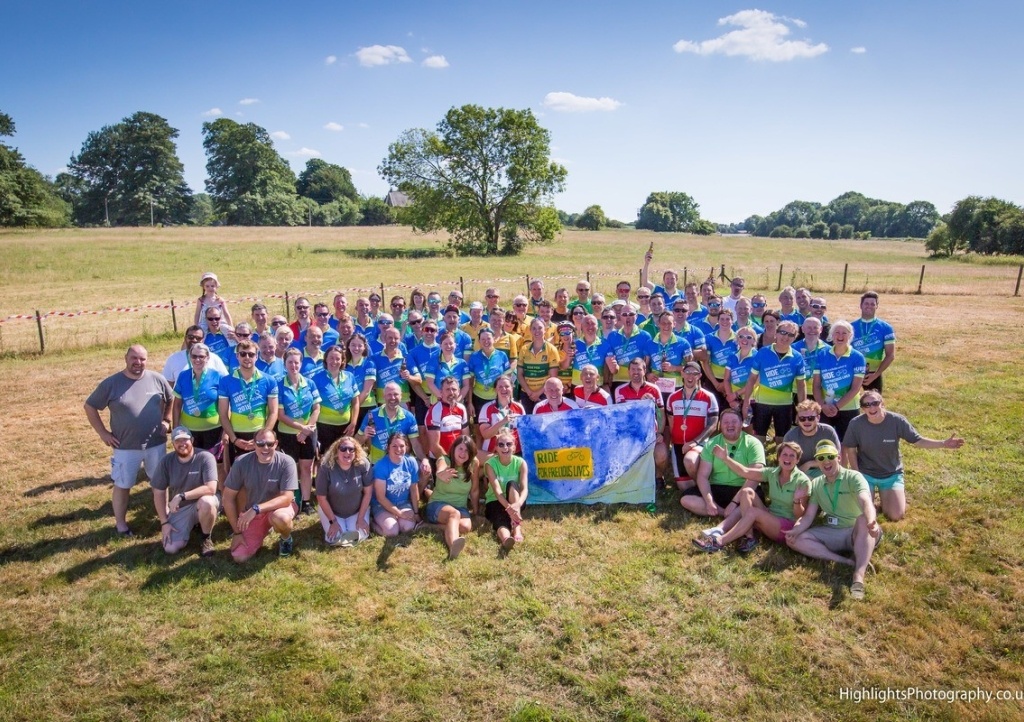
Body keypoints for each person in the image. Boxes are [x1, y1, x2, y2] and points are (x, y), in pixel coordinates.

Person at [85, 345, 174, 536]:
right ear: (126, 358)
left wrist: (166, 420)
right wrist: (103, 433)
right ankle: (121, 525)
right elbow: (90, 406)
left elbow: (170, 398)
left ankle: (164, 517)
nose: (138, 362)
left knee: (159, 483)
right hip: (125, 447)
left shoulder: (156, 379)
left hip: (155, 444)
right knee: (123, 485)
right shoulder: (112, 384)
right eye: (134, 358)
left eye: (142, 359)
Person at [843, 391, 965, 521]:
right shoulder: (856, 424)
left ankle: (885, 501)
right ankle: (875, 500)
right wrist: (857, 475)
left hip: (891, 474)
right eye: (866, 405)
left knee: (895, 515)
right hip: (866, 474)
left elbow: (918, 441)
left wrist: (943, 443)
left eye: (875, 403)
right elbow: (850, 450)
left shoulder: (897, 420)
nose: (871, 407)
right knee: (861, 514)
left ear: (882, 403)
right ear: (862, 408)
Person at [785, 440, 882, 600]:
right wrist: (795, 531)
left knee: (863, 519)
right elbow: (809, 516)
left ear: (838, 457)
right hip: (833, 532)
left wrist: (872, 520)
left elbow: (866, 501)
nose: (826, 461)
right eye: (821, 458)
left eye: (830, 456)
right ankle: (844, 561)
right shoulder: (816, 484)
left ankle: (858, 576)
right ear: (817, 462)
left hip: (858, 531)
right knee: (795, 540)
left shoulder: (853, 477)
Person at [693, 441, 810, 554]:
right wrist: (726, 458)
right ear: (778, 457)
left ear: (797, 460)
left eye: (792, 456)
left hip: (786, 527)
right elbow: (745, 472)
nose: (787, 458)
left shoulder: (802, 481)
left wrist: (796, 501)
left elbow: (800, 516)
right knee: (746, 491)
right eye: (784, 454)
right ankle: (749, 537)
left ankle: (718, 542)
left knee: (753, 513)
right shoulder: (772, 473)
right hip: (770, 515)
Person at [223, 429, 299, 560]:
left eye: (270, 444)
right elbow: (227, 498)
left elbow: (287, 498)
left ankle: (286, 539)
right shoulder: (241, 462)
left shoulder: (287, 462)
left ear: (276, 444)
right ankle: (262, 529)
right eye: (260, 443)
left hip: (277, 508)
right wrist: (237, 532)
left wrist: (256, 509)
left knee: (281, 519)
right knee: (240, 558)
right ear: (254, 444)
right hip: (252, 514)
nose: (265, 447)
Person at [681, 408, 765, 518]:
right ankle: (723, 512)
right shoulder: (712, 443)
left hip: (743, 489)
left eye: (734, 421)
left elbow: (755, 477)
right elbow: (702, 476)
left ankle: (731, 513)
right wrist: (709, 501)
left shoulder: (753, 443)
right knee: (686, 499)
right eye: (726, 422)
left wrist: (734, 503)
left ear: (741, 424)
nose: (730, 425)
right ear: (720, 425)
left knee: (753, 500)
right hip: (717, 488)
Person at [151, 426, 219, 556]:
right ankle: (194, 524)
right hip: (182, 508)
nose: (182, 444)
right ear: (173, 444)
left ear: (192, 440)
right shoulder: (166, 461)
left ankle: (206, 538)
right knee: (170, 548)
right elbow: (158, 491)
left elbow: (211, 488)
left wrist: (181, 496)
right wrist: (164, 522)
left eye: (185, 440)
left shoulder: (205, 457)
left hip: (204, 501)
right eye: (178, 441)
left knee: (207, 502)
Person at [740, 319, 806, 443]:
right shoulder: (763, 352)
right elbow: (751, 380)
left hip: (785, 404)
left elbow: (801, 386)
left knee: (782, 440)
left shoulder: (797, 357)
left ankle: (781, 462)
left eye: (791, 334)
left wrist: (802, 408)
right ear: (776, 333)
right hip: (762, 403)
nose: (786, 337)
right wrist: (746, 402)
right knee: (759, 439)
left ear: (795, 337)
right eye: (782, 332)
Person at [217, 340, 279, 467]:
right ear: (237, 356)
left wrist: (263, 436)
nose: (247, 358)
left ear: (257, 356)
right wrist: (234, 439)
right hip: (237, 435)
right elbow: (223, 414)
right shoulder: (226, 381)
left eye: (251, 354)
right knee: (239, 478)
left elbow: (274, 412)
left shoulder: (269, 380)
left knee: (262, 473)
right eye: (243, 354)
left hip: (260, 433)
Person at [277, 348, 321, 514]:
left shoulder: (310, 383)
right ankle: (291, 501)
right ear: (285, 364)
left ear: (301, 363)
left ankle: (306, 501)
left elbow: (316, 409)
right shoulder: (279, 385)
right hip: (288, 433)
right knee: (291, 468)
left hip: (308, 432)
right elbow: (280, 415)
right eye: (290, 362)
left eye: (296, 362)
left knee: (307, 467)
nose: (293, 366)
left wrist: (306, 429)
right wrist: (300, 428)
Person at [666, 361, 719, 486]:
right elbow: (671, 422)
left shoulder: (709, 397)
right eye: (687, 373)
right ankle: (700, 487)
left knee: (689, 460)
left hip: (699, 444)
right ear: (682, 374)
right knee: (684, 488)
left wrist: (694, 442)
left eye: (694, 374)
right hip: (678, 445)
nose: (690, 377)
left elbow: (713, 424)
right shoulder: (672, 397)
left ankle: (706, 487)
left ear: (699, 376)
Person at [315, 435, 373, 547]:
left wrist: (360, 518)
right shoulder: (325, 467)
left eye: (352, 449)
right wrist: (333, 521)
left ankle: (357, 521)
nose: (347, 452)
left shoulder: (363, 464)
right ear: (336, 451)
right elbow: (321, 498)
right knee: (334, 538)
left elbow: (368, 493)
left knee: (360, 535)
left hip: (356, 510)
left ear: (356, 452)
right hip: (333, 512)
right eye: (343, 448)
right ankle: (334, 523)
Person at [813, 320, 866, 441]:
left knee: (846, 444)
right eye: (837, 332)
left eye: (844, 333)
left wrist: (837, 407)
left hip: (849, 407)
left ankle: (843, 461)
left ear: (850, 336)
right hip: (825, 407)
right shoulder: (822, 354)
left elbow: (855, 388)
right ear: (831, 335)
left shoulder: (858, 357)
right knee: (824, 442)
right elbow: (816, 385)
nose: (840, 336)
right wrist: (822, 406)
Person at [429, 435, 480, 560]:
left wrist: (476, 511)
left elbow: (474, 490)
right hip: (437, 504)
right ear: (454, 448)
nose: (463, 453)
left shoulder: (474, 463)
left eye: (467, 450)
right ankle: (453, 546)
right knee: (454, 515)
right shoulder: (444, 459)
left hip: (460, 506)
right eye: (460, 449)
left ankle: (428, 526)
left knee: (466, 527)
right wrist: (441, 474)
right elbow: (440, 469)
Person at [170, 342, 224, 454]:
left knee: (214, 463)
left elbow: (225, 406)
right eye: (194, 356)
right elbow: (177, 404)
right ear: (190, 357)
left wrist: (226, 431)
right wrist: (175, 428)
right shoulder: (183, 376)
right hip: (189, 430)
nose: (197, 359)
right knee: (192, 462)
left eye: (201, 356)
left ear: (208, 358)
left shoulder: (218, 376)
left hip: (214, 429)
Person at [312, 344, 361, 458]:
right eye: (331, 358)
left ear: (343, 360)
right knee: (326, 458)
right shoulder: (316, 379)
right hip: (324, 426)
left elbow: (355, 402)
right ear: (326, 359)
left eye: (338, 358)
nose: (334, 361)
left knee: (344, 456)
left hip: (345, 426)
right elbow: (313, 406)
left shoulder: (350, 377)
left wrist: (353, 423)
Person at [484, 429, 529, 551]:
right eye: (501, 444)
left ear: (514, 447)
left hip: (516, 501)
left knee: (512, 484)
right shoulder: (490, 464)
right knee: (499, 519)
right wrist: (509, 509)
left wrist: (517, 504)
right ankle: (506, 539)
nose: (505, 447)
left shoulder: (521, 462)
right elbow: (497, 491)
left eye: (509, 444)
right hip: (495, 500)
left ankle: (516, 529)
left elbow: (524, 489)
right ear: (496, 448)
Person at [371, 433, 423, 537]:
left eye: (402, 446)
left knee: (407, 528)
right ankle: (371, 523)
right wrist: (399, 513)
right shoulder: (380, 466)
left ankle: (395, 519)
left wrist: (416, 513)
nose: (398, 449)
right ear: (388, 448)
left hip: (403, 503)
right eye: (394, 446)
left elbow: (414, 489)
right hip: (382, 505)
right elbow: (380, 497)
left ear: (407, 447)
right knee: (392, 532)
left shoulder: (411, 462)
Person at [782, 400, 840, 479]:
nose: (806, 421)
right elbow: (786, 464)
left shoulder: (828, 432)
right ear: (797, 419)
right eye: (802, 418)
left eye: (811, 418)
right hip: (801, 474)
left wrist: (810, 464)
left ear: (818, 418)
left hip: (826, 471)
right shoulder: (790, 437)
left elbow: (836, 458)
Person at [851, 291, 896, 392]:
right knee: (848, 405)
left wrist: (875, 375)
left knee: (874, 405)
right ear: (861, 305)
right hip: (853, 372)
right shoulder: (851, 327)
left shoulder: (886, 328)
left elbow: (890, 355)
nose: (869, 306)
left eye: (872, 304)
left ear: (877, 306)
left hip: (873, 374)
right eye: (866, 303)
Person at [604, 304, 652, 392]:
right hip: (618, 380)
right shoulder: (612, 335)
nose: (628, 317)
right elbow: (608, 361)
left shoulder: (645, 336)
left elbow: (647, 361)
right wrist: (606, 382)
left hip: (638, 380)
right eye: (624, 315)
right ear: (620, 317)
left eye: (631, 314)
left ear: (636, 316)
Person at [517, 317, 561, 413]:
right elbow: (520, 374)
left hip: (545, 393)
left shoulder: (552, 349)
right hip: (526, 394)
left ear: (545, 330)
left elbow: (553, 376)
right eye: (534, 328)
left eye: (540, 328)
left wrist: (538, 393)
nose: (537, 331)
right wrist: (529, 392)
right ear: (530, 330)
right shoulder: (524, 349)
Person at [425, 377, 470, 467]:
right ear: (441, 392)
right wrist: (451, 463)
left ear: (459, 391)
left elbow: (466, 438)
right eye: (447, 389)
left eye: (454, 389)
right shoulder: (436, 410)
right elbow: (434, 446)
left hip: (460, 457)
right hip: (440, 458)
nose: (451, 393)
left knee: (476, 464)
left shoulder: (461, 408)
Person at [649, 311, 693, 400]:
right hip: (655, 385)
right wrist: (648, 374)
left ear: (674, 324)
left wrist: (674, 368)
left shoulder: (684, 343)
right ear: (658, 324)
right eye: (663, 323)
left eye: (669, 323)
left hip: (676, 387)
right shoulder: (649, 343)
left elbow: (691, 368)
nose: (666, 326)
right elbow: (645, 365)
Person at [467, 327, 512, 417]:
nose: (486, 341)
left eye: (488, 338)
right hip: (479, 397)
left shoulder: (502, 355)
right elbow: (470, 382)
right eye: (482, 339)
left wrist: (510, 399)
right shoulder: (474, 357)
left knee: (499, 425)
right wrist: (470, 403)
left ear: (494, 339)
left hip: (498, 397)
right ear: (479, 342)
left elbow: (509, 380)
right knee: (479, 427)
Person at [478, 376, 525, 457]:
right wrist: (503, 422)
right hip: (492, 453)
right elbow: (485, 435)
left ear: (512, 388)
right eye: (500, 387)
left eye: (507, 386)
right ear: (495, 389)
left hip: (515, 453)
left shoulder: (519, 407)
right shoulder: (487, 408)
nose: (504, 389)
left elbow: (524, 433)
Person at [162, 326, 228, 381]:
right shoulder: (174, 359)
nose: (194, 340)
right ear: (185, 338)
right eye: (191, 337)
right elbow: (168, 381)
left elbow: (225, 379)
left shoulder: (214, 358)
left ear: (203, 340)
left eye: (198, 338)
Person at [722, 327, 758, 416]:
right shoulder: (732, 356)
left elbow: (756, 382)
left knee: (748, 428)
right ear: (737, 339)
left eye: (749, 337)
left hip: (752, 399)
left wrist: (736, 394)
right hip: (734, 399)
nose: (744, 339)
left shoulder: (758, 356)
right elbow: (726, 379)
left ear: (754, 341)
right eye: (741, 336)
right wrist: (730, 397)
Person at [346, 332, 377, 428]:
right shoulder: (344, 364)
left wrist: (353, 408)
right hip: (349, 407)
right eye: (353, 345)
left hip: (366, 406)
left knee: (366, 439)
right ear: (348, 346)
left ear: (364, 347)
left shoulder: (369, 363)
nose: (356, 348)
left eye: (360, 346)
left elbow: (366, 391)